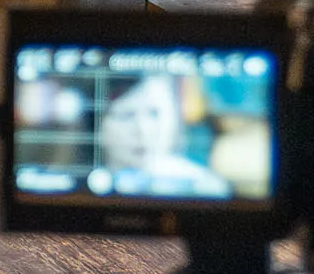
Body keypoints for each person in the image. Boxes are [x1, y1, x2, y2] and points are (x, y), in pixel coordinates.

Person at [92, 71, 230, 199]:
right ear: (99, 124)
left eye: (154, 114)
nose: (143, 130)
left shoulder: (204, 186)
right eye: (127, 115)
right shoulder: (89, 184)